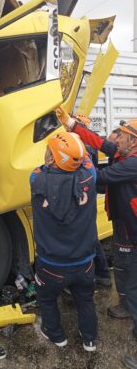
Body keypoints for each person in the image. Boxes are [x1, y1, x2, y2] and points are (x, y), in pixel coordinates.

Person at [56, 107, 137, 368]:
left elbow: (99, 178)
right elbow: (101, 143)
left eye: (121, 134)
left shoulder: (133, 162)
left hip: (130, 225)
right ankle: (127, 302)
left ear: (133, 141)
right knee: (125, 272)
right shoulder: (126, 153)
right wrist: (72, 125)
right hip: (125, 220)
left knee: (127, 275)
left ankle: (130, 307)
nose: (116, 138)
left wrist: (79, 158)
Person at [30, 132, 98, 352]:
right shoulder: (89, 176)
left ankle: (56, 335)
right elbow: (85, 160)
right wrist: (76, 142)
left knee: (47, 300)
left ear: (52, 156)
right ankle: (89, 340)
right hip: (84, 260)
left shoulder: (37, 179)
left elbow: (43, 167)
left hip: (51, 263)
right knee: (86, 301)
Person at [71, 113, 112, 288]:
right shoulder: (85, 143)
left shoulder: (83, 146)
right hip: (87, 191)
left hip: (85, 192)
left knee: (88, 235)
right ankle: (100, 274)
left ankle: (102, 274)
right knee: (88, 234)